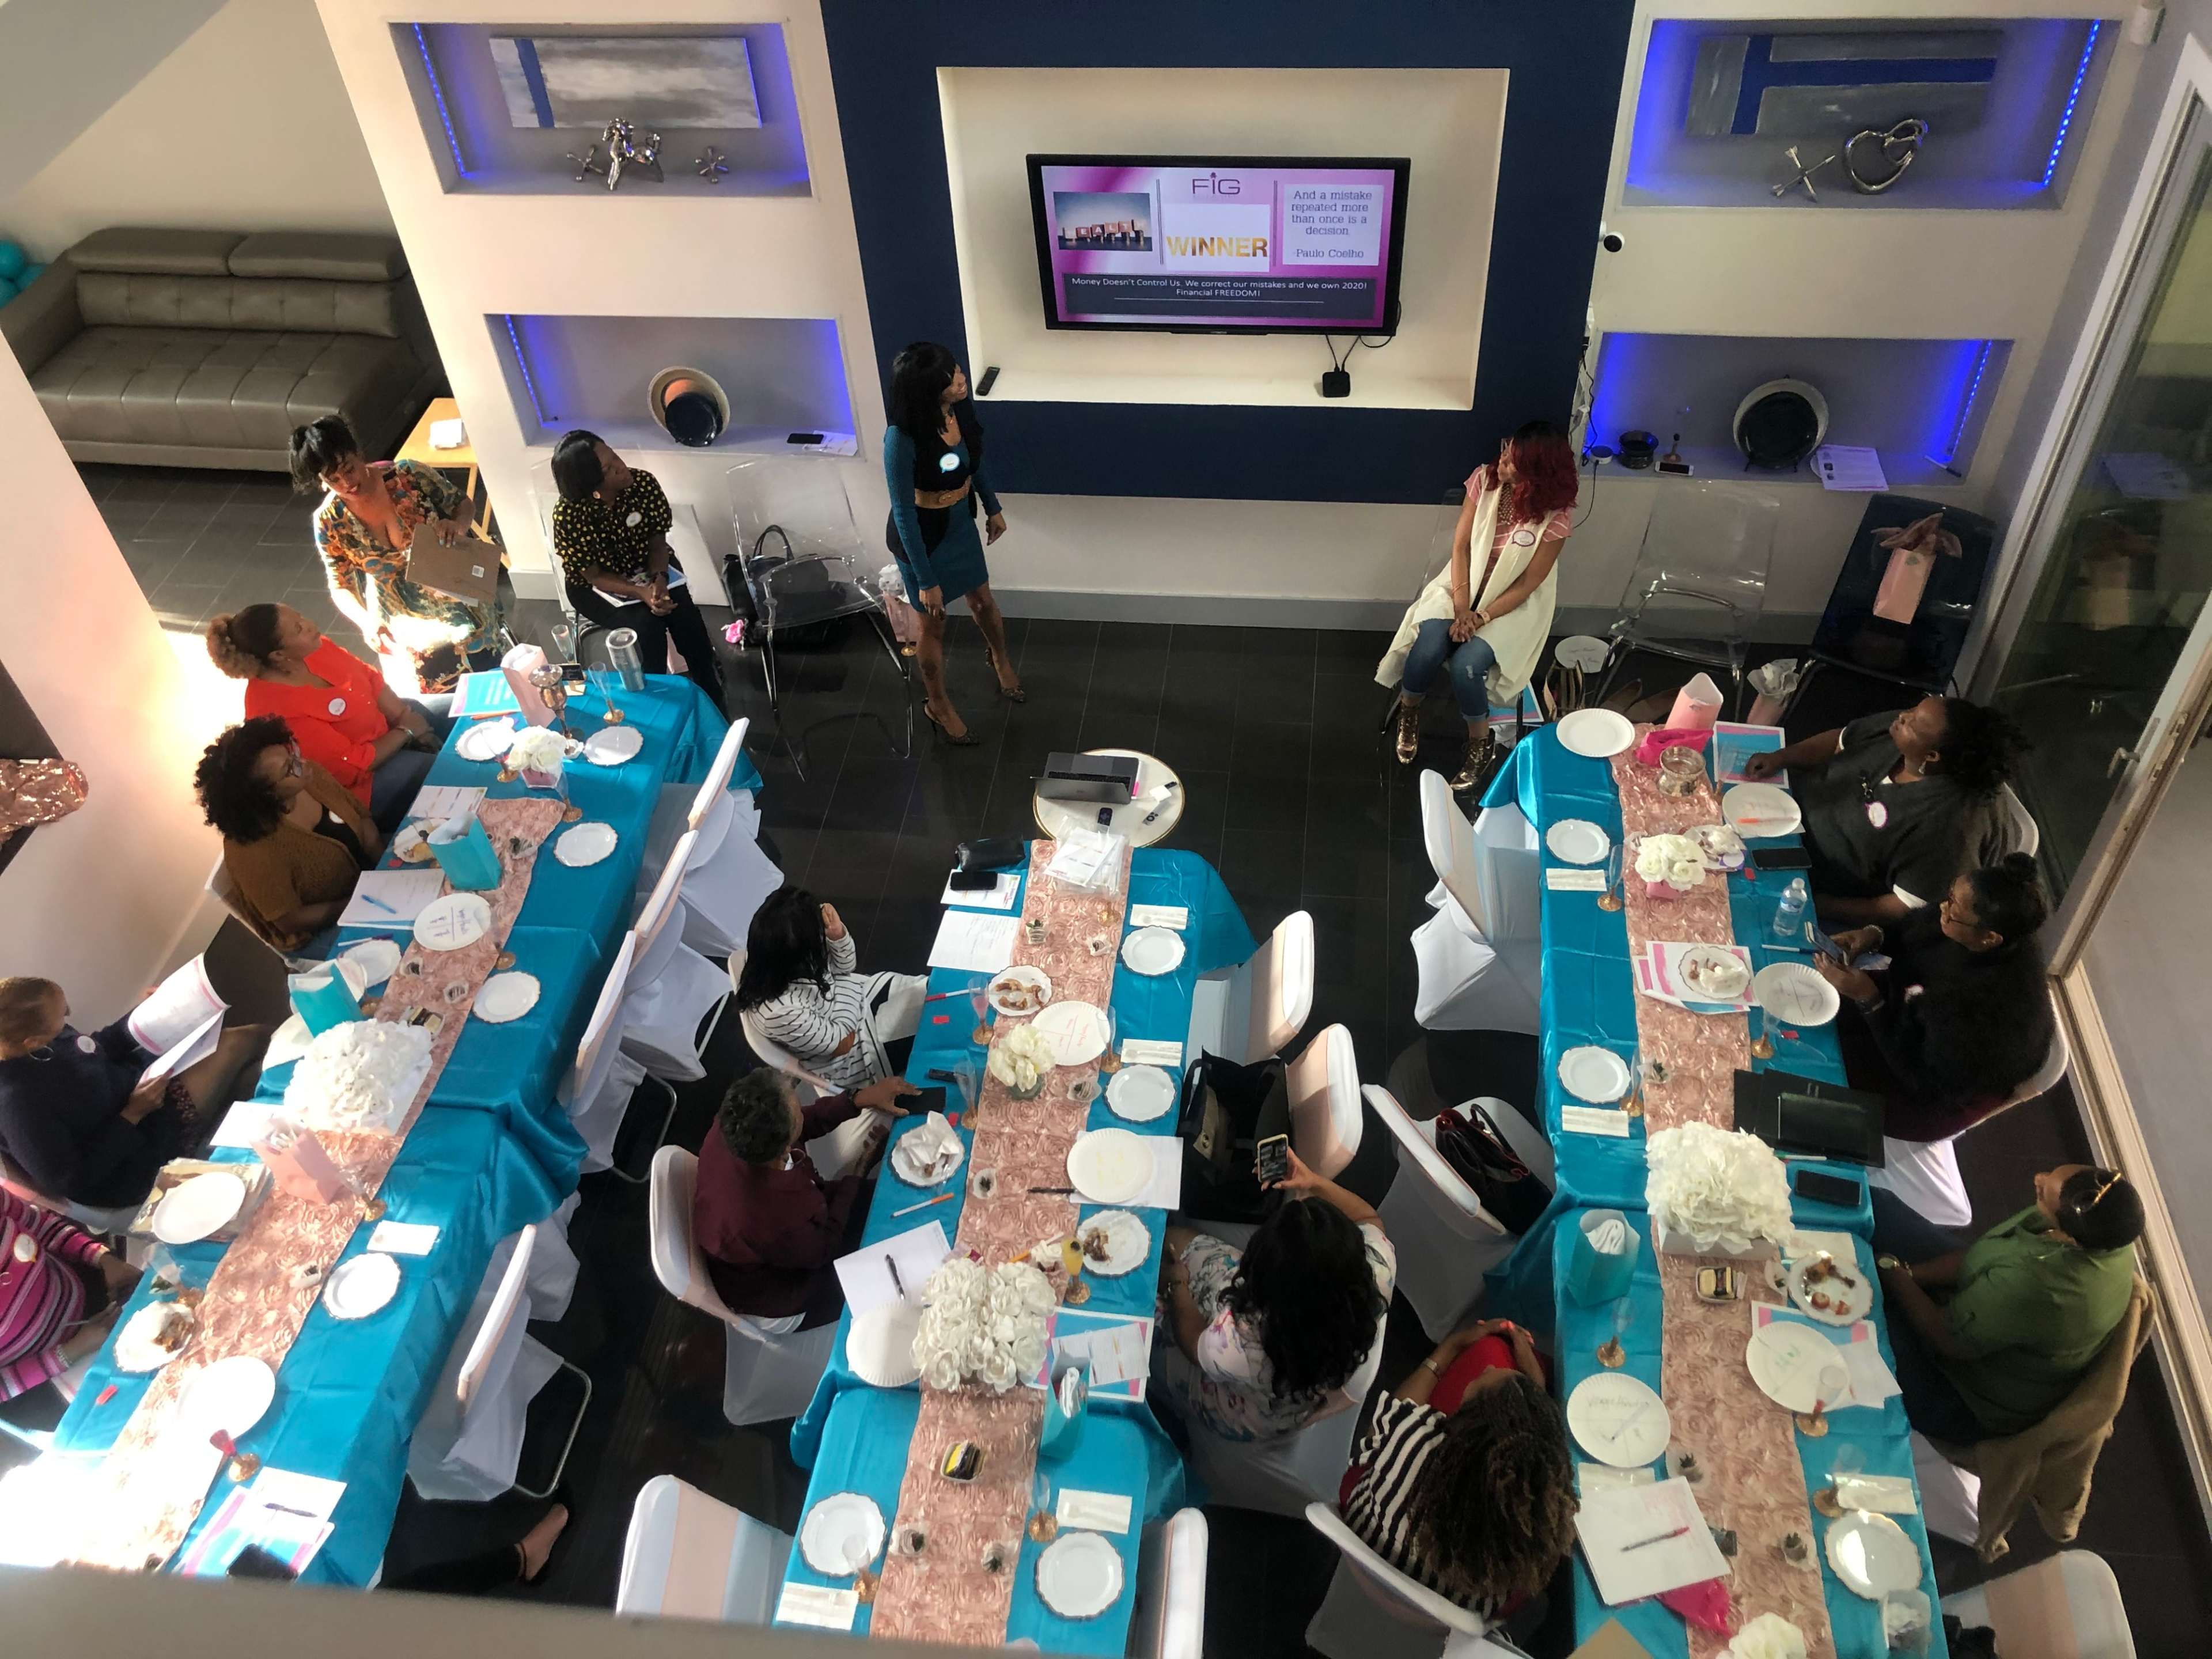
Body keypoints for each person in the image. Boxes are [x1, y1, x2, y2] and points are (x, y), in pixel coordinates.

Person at [1377, 421, 1580, 790]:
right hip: (1461, 588)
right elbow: (1461, 548)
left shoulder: (1556, 518)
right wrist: (1460, 610)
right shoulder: (1484, 481)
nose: (1501, 459)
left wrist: (1482, 616)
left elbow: (1529, 583)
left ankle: (1479, 744)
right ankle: (1409, 711)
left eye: (1513, 459)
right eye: (1507, 450)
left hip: (1513, 605)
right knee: (1426, 648)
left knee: (1467, 667)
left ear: (1535, 473)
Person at [1876, 1163, 2142, 1443]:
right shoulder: (2102, 1226)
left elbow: (1947, 1338)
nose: (2038, 1177)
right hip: (1987, 1299)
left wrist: (1890, 1274)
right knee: (1878, 1206)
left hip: (1962, 1393)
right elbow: (1983, 1257)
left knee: (1860, 1322)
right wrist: (1910, 1275)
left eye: (2043, 1192)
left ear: (2069, 1235)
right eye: (2050, 1173)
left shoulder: (2044, 1285)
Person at [1339, 1318, 1575, 1632]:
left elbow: (1386, 1422)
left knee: (1490, 1349)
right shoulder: (1524, 1534)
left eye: (1477, 1386)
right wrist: (1537, 1390)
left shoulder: (1412, 1442)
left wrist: (1452, 1345)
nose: (1489, 1370)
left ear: (1457, 1428)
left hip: (1366, 1544)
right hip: (1448, 1614)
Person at [1156, 1148, 1395, 1441]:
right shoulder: (1378, 1270)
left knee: (1144, 1328)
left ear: (1262, 1280)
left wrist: (1177, 1284)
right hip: (1296, 1383)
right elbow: (1368, 1217)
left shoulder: (1243, 1344)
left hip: (1240, 1405)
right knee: (1174, 1241)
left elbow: (1194, 1345)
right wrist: (1313, 1182)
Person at [1816, 855, 2055, 1142]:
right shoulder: (1965, 921)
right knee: (1816, 1003)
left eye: (1953, 909)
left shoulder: (1988, 1009)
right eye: (1950, 896)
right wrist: (1874, 935)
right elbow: (1913, 929)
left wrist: (1870, 1000)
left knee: (1817, 1068)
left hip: (1923, 1091)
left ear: (1989, 938)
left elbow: (1919, 1077)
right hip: (1910, 1015)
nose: (1943, 908)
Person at [1740, 696, 2023, 926]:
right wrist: (1781, 757)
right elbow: (1841, 740)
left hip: (1817, 881)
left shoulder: (1949, 827)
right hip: (1783, 814)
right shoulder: (1900, 730)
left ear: (1932, 756)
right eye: (1912, 709)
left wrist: (1820, 904)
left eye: (1913, 723)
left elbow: (1903, 906)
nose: (1903, 717)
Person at [0, 978, 268, 1211]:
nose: (69, 1014)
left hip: (136, 1088)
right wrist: (132, 1114)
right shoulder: (18, 1105)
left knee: (242, 1055)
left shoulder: (40, 1040)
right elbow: (73, 1181)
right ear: (33, 1043)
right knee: (243, 1041)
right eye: (63, 1016)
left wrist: (148, 1014)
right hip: (130, 1154)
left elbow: (94, 1049)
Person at [293, 415, 503, 694]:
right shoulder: (329, 520)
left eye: (350, 469)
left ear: (359, 453)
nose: (347, 483)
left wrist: (458, 526)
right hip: (396, 610)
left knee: (481, 659)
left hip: (449, 582)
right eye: (334, 480)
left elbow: (461, 504)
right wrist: (367, 622)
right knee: (430, 681)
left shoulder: (408, 476)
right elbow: (340, 584)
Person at [692, 1067, 916, 1327]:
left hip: (794, 1233)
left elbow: (798, 1122)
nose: (802, 1107)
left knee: (894, 1194)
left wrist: (857, 1099)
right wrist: (859, 1170)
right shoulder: (767, 1214)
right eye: (798, 1107)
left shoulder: (734, 1124)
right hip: (792, 1289)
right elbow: (824, 1247)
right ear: (782, 1152)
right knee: (897, 1262)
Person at [206, 603, 450, 834]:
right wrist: (407, 731)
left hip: (388, 730)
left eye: (300, 618)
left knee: (455, 713)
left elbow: (369, 676)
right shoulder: (275, 710)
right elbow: (350, 767)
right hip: (364, 784)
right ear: (279, 655)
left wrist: (401, 714)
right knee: (436, 768)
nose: (310, 624)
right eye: (299, 628)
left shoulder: (314, 647)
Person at [882, 341, 1021, 745]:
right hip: (923, 539)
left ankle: (1000, 660)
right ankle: (938, 704)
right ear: (927, 391)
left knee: (983, 601)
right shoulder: (901, 439)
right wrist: (926, 580)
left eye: (957, 370)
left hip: (959, 522)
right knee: (934, 626)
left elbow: (973, 462)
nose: (961, 379)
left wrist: (992, 508)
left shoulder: (958, 409)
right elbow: (905, 513)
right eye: (950, 379)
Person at [547, 430, 726, 707]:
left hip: (648, 565)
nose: (621, 467)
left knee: (687, 619)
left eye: (614, 455)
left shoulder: (642, 483)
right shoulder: (570, 514)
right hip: (594, 586)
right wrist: (640, 592)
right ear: (591, 485)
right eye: (608, 469)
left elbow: (658, 543)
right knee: (646, 629)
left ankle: (710, 690)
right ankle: (653, 697)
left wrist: (660, 580)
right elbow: (593, 575)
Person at [196, 715, 384, 950]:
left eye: (292, 753)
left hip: (370, 887)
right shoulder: (253, 850)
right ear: (265, 796)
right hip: (322, 929)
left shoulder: (310, 776)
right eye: (289, 769)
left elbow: (361, 818)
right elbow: (289, 920)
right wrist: (359, 905)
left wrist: (386, 868)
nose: (302, 763)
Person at [732, 888, 925, 1094]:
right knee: (937, 1023)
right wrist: (849, 986)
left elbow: (846, 968)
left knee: (935, 992)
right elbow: (843, 1044)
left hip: (867, 998)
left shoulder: (773, 953)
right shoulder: (780, 1013)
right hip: (861, 1052)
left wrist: (837, 935)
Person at [0, 1187, 138, 1400]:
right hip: (45, 1381)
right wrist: (69, 1353)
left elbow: (39, 1224)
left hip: (93, 1297)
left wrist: (102, 1259)